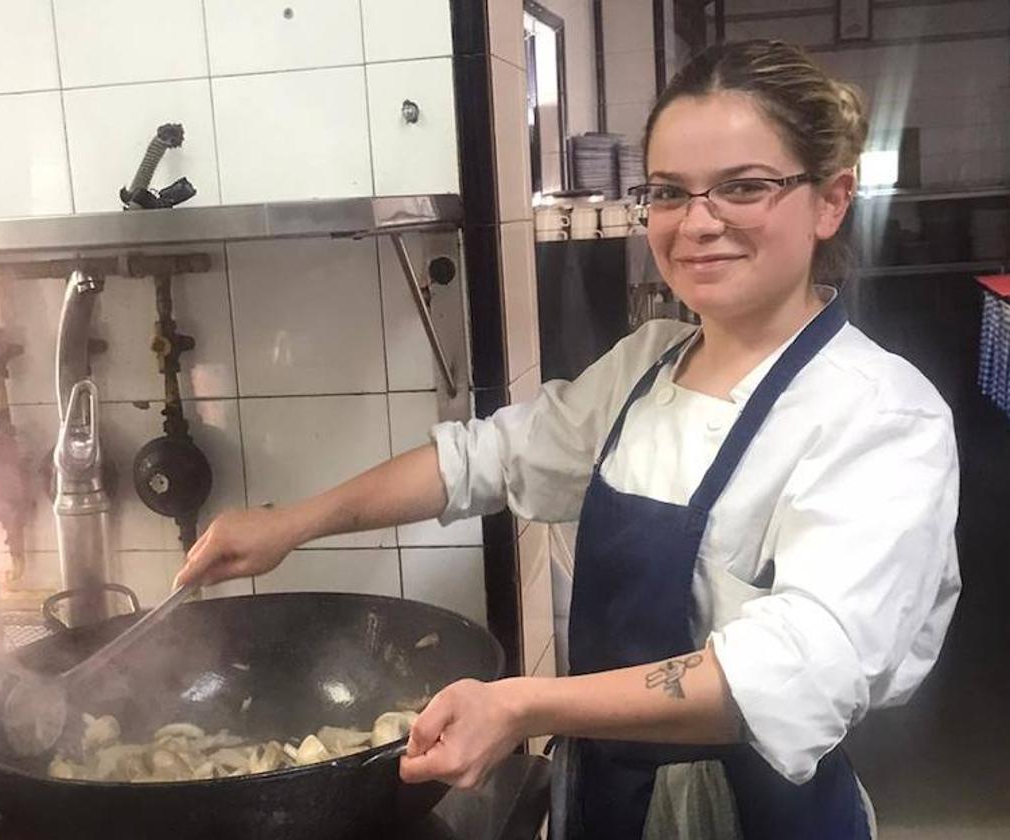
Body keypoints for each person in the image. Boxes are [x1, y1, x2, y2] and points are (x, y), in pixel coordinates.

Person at [174, 39, 960, 839]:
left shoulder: (880, 416)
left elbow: (800, 670)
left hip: (758, 818)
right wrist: (290, 523)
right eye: (669, 192)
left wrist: (523, 704)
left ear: (830, 200)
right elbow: (484, 460)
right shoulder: (647, 366)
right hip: (601, 801)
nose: (698, 223)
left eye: (744, 188)